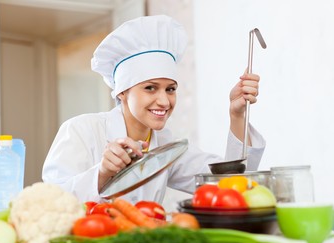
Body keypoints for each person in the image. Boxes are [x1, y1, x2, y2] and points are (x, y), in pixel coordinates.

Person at [42, 15, 265, 204]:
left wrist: (237, 114)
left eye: (170, 89)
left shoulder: (167, 147)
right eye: (150, 88)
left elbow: (231, 184)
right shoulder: (82, 130)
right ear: (122, 92)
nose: (164, 101)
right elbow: (51, 201)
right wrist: (102, 174)